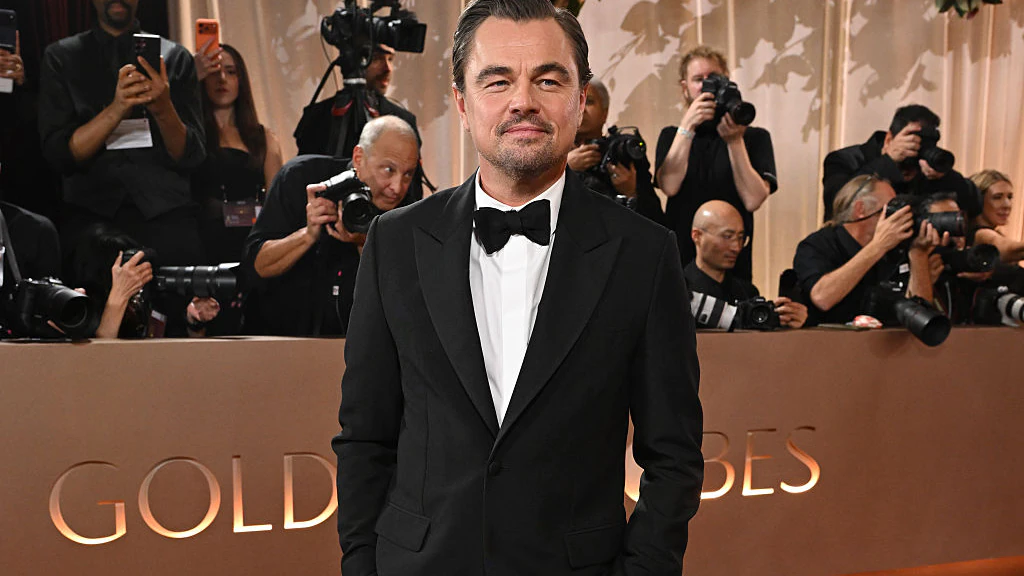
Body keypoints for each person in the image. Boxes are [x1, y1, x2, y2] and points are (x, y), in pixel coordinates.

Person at [332, 1, 703, 575]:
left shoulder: (643, 254)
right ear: (463, 102)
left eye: (548, 80)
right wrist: (362, 563)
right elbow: (364, 436)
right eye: (497, 80)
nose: (523, 101)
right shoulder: (395, 242)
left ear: (580, 99)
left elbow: (674, 454)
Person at [38, 0, 207, 279]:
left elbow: (192, 156)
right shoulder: (61, 57)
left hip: (166, 217)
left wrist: (163, 107)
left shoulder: (175, 57)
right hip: (91, 222)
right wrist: (117, 109)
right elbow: (59, 154)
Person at [243, 115, 418, 337]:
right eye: (389, 170)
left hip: (352, 347)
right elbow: (256, 268)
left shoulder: (407, 208)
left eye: (408, 174)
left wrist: (364, 243)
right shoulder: (302, 177)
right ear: (358, 157)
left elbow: (404, 303)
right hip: (279, 339)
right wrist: (307, 235)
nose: (397, 187)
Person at [654, 45, 776, 281]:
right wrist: (687, 127)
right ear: (685, 87)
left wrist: (735, 141)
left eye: (714, 78)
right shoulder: (671, 136)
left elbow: (753, 199)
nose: (706, 86)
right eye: (699, 79)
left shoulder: (755, 137)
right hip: (681, 258)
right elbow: (669, 186)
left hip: (733, 264)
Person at [793, 174, 946, 325]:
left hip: (889, 339)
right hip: (830, 339)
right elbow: (822, 298)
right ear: (860, 209)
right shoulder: (819, 244)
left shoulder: (897, 248)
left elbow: (921, 317)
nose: (898, 217)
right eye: (891, 209)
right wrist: (878, 246)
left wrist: (918, 255)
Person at [191, 43, 283, 265]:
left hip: (252, 247)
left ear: (241, 79)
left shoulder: (264, 138)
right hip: (201, 245)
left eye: (231, 72)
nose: (222, 78)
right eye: (214, 71)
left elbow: (276, 206)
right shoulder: (190, 136)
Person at [822, 104, 981, 222]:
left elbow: (975, 205)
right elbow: (838, 203)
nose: (909, 172)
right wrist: (888, 161)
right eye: (911, 143)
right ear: (889, 139)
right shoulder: (844, 160)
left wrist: (943, 176)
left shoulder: (925, 167)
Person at [71, 224, 220, 339]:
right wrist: (119, 294)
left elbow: (184, 353)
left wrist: (194, 322)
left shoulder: (147, 296)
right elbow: (98, 358)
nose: (132, 273)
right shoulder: (81, 306)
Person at [686, 200, 807, 329]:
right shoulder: (680, 290)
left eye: (740, 238)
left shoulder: (746, 292)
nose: (736, 247)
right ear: (697, 236)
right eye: (727, 236)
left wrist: (787, 318)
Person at [566, 79, 663, 223]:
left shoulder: (622, 153)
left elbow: (657, 221)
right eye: (575, 102)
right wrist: (565, 168)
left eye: (589, 101)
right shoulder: (551, 154)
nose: (581, 108)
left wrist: (630, 192)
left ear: (605, 113)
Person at [968, 170, 1024, 264]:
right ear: (978, 201)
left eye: (1009, 197)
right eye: (997, 197)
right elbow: (1008, 249)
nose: (1007, 205)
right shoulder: (981, 234)